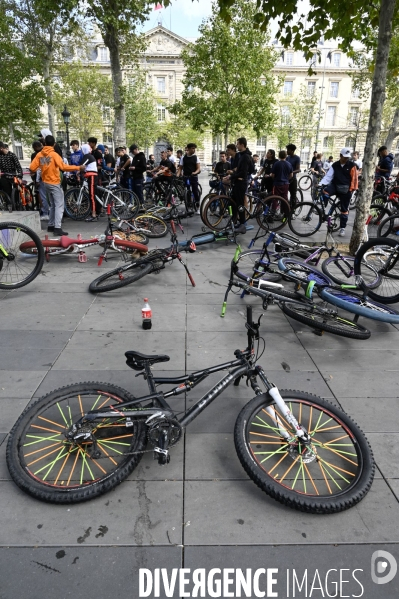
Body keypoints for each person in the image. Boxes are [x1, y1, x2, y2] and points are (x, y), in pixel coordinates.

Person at [29, 135, 84, 235]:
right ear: (54, 144)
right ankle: (57, 228)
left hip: (45, 183)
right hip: (54, 183)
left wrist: (43, 166)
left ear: (44, 143)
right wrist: (78, 168)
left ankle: (51, 225)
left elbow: (32, 168)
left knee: (53, 204)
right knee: (59, 205)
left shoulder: (40, 155)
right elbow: (63, 167)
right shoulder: (54, 155)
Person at [319, 147, 358, 237]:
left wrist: (351, 191)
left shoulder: (352, 165)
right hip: (335, 186)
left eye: (348, 157)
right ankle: (323, 209)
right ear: (340, 156)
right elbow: (328, 176)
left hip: (346, 189)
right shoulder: (335, 165)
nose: (346, 159)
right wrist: (321, 184)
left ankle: (342, 228)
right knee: (325, 192)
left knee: (344, 210)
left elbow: (354, 179)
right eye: (345, 157)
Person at [223, 137, 252, 234]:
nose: (236, 146)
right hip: (238, 182)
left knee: (240, 203)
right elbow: (250, 169)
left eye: (238, 144)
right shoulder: (243, 155)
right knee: (233, 202)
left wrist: (232, 177)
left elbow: (243, 172)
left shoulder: (245, 157)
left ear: (242, 145)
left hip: (241, 183)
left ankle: (243, 224)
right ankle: (236, 220)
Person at [178, 142, 201, 213]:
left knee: (195, 191)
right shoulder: (183, 158)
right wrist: (178, 174)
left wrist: (195, 172)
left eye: (194, 148)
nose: (194, 150)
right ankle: (189, 205)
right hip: (186, 176)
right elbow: (180, 168)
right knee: (187, 191)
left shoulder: (196, 157)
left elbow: (198, 168)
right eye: (192, 148)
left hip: (193, 176)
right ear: (188, 149)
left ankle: (197, 205)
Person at [30, 141, 50, 220]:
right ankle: (50, 212)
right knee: (49, 196)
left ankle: (45, 213)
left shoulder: (39, 155)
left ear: (36, 147)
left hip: (42, 178)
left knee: (43, 197)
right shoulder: (48, 153)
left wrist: (37, 180)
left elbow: (40, 169)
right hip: (50, 178)